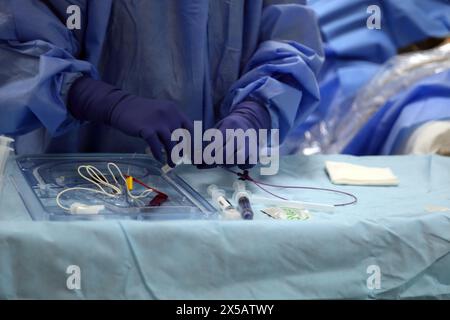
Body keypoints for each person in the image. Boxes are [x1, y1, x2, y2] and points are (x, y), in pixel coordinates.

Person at [0, 0, 323, 169]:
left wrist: (256, 110)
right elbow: (14, 50)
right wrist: (93, 98)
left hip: (214, 187)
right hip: (79, 184)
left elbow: (289, 39)